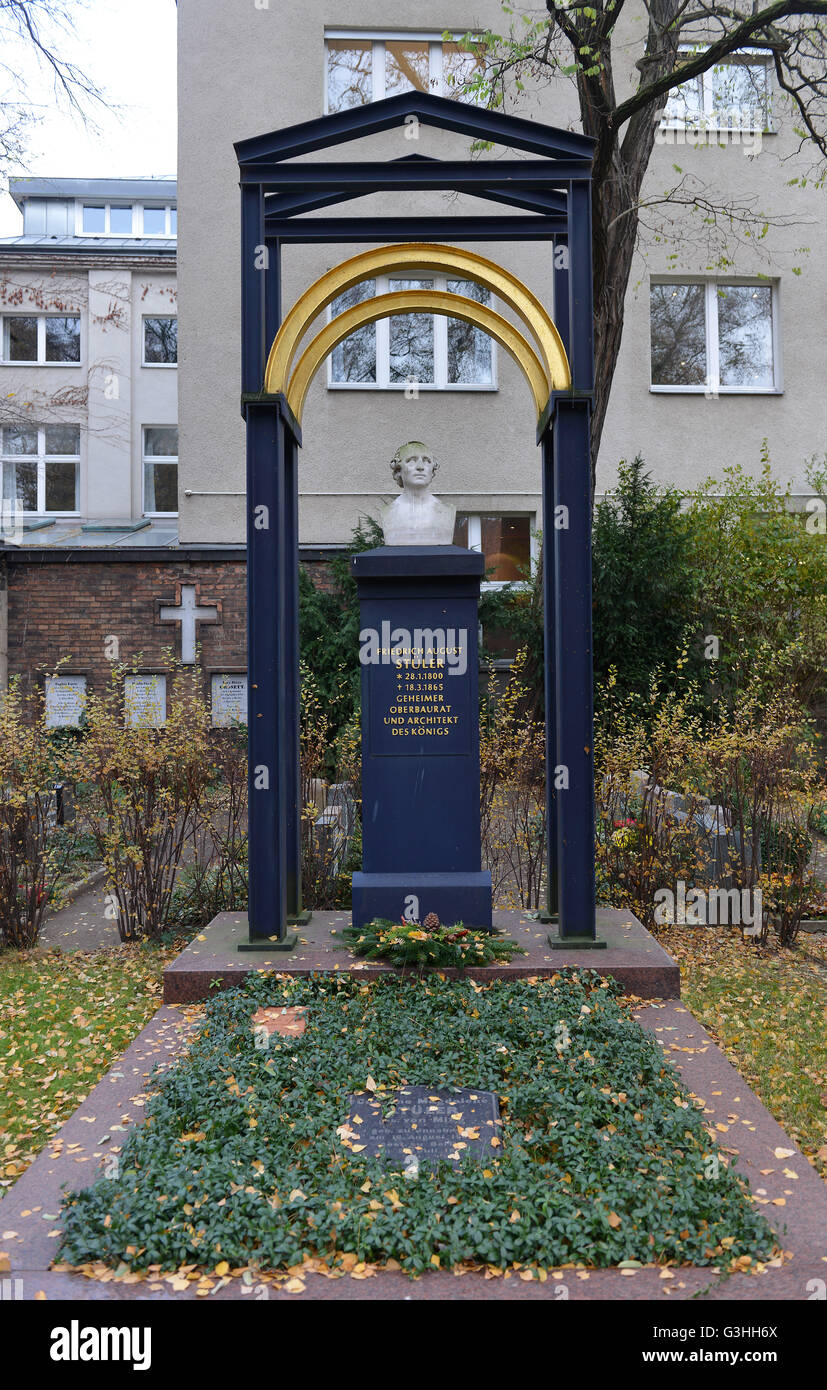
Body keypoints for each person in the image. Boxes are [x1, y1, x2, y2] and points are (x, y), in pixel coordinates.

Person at [381, 440, 456, 545]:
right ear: (398, 470)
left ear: (432, 469)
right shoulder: (388, 512)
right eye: (411, 461)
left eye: (427, 461)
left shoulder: (447, 511)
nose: (420, 467)